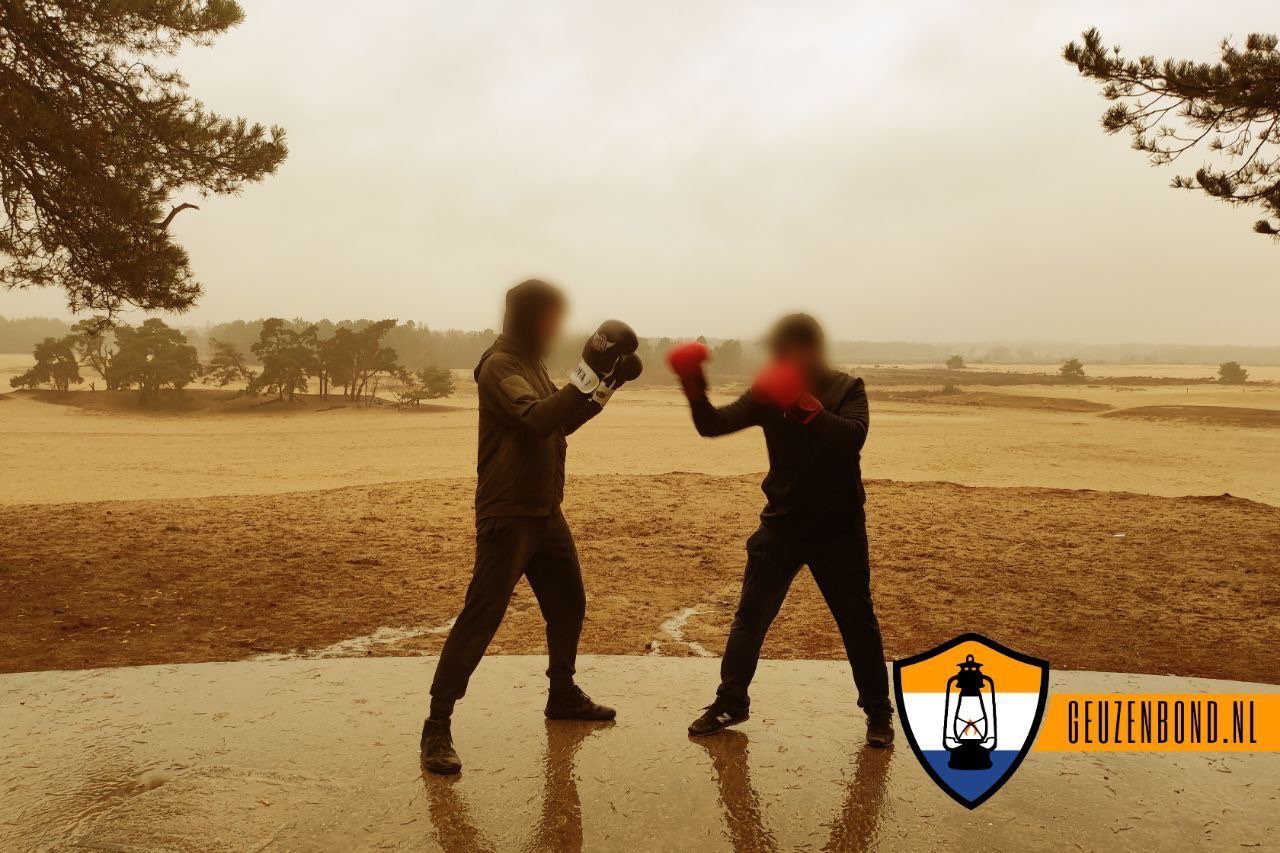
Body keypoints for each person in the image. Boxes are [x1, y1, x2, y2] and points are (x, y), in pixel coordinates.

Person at [422, 279, 643, 774]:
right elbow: (537, 419)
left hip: (544, 510)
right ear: (528, 318)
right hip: (508, 513)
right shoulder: (500, 366)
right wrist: (590, 368)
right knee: (482, 616)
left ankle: (562, 694)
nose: (556, 327)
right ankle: (436, 725)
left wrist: (608, 384)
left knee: (569, 602)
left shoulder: (531, 362)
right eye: (550, 318)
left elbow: (563, 421)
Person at [666, 313, 893, 747]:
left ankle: (879, 713)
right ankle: (730, 701)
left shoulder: (848, 388)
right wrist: (693, 384)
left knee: (857, 622)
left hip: (838, 529)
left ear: (808, 349)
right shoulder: (769, 390)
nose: (779, 359)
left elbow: (851, 438)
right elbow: (712, 424)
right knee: (750, 617)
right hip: (783, 524)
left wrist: (802, 403)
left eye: (785, 350)